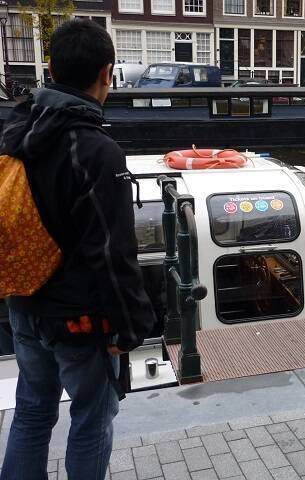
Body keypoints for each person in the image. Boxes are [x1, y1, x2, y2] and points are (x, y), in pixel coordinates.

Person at [0, 19, 155, 480]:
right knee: (91, 420)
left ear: (50, 68)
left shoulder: (15, 130)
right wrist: (131, 327)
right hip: (80, 320)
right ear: (107, 74)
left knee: (32, 412)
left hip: (24, 302)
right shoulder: (96, 151)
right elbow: (111, 253)